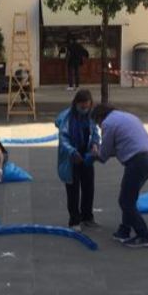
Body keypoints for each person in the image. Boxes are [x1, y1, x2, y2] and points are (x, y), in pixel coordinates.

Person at [91, 104, 148, 248]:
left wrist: (94, 154)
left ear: (99, 117)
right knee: (129, 196)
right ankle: (124, 230)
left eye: (97, 123)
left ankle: (144, 236)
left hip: (137, 162)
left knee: (126, 201)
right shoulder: (127, 116)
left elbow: (104, 154)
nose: (99, 126)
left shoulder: (108, 123)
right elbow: (120, 145)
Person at [55, 89, 100, 230]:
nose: (85, 109)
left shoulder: (90, 116)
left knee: (89, 187)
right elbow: (63, 139)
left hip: (86, 156)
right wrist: (72, 152)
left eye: (87, 106)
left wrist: (95, 145)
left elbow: (95, 133)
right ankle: (74, 220)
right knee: (73, 190)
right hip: (72, 158)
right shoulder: (68, 118)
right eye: (82, 107)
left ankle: (87, 217)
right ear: (76, 104)